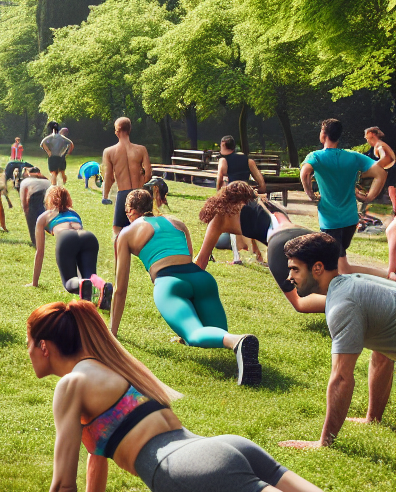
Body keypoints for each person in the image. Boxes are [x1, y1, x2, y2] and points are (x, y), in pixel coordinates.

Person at [0, 300, 396, 492]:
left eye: (28, 344)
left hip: (197, 474)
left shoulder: (72, 385)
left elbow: (63, 485)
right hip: (222, 448)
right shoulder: (114, 366)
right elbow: (98, 458)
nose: (27, 353)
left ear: (44, 346)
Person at [111, 189, 261, 385]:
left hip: (170, 282)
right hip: (202, 280)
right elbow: (190, 259)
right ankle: (234, 344)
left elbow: (120, 289)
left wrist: (112, 334)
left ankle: (238, 341)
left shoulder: (126, 233)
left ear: (129, 210)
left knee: (195, 335)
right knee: (217, 332)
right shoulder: (177, 223)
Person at [280, 233, 396, 450]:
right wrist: (372, 417)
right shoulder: (350, 283)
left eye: (295, 269)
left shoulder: (343, 304)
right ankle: (373, 418)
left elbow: (342, 378)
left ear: (317, 268)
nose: (289, 277)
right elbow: (383, 352)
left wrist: (324, 443)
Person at [194, 183, 324, 313]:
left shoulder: (220, 215)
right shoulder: (264, 203)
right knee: (322, 284)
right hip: (304, 233)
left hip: (279, 241)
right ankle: (340, 300)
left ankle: (340, 304)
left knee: (299, 302)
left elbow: (201, 260)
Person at [302, 118, 385, 274]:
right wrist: (368, 197)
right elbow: (381, 173)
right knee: (337, 261)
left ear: (323, 134)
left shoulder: (316, 156)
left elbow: (305, 172)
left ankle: (386, 275)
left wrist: (310, 194)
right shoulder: (353, 157)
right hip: (350, 221)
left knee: (339, 267)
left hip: (330, 222)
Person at [31, 187, 111, 308]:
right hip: (88, 237)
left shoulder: (45, 216)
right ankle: (104, 286)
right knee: (89, 276)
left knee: (69, 282)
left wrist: (35, 282)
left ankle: (81, 284)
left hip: (66, 238)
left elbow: (40, 252)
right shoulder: (74, 213)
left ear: (49, 200)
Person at [214, 135, 267, 263]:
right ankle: (258, 254)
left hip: (233, 195)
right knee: (251, 223)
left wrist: (218, 194)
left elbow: (219, 178)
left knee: (232, 225)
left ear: (223, 145)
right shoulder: (248, 160)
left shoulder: (223, 161)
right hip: (248, 195)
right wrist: (257, 193)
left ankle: (236, 257)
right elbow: (261, 182)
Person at [102, 117, 151, 245]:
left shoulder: (109, 152)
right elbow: (148, 174)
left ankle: (120, 261)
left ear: (116, 132)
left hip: (123, 194)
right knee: (144, 228)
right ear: (130, 130)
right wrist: (141, 185)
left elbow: (109, 177)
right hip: (139, 192)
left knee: (118, 230)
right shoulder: (141, 149)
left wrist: (105, 195)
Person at [364, 126, 396, 215]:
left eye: (367, 138)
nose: (367, 140)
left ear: (372, 135)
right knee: (391, 191)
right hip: (390, 170)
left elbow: (385, 157)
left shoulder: (380, 145)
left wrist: (376, 166)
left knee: (392, 191)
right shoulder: (377, 145)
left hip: (392, 170)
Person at [20, 166, 50, 246]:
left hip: (34, 197)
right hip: (47, 197)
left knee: (32, 221)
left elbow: (24, 197)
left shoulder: (25, 181)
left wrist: (26, 210)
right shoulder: (46, 180)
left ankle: (35, 241)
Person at [41, 122, 71, 186]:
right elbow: (71, 144)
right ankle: (64, 183)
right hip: (60, 157)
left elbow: (42, 143)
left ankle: (54, 186)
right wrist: (67, 152)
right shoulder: (62, 138)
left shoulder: (50, 137)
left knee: (54, 173)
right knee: (62, 172)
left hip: (52, 157)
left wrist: (48, 151)